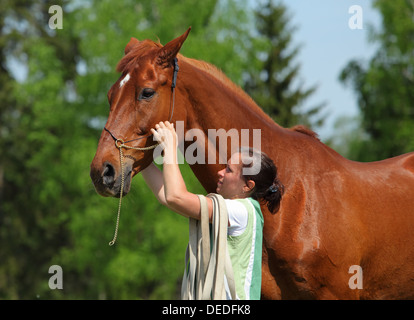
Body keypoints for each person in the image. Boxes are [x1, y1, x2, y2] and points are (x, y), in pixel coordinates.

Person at [141, 121, 283, 300]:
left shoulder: (242, 210)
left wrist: (170, 149)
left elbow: (176, 197)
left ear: (247, 186)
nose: (220, 173)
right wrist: (139, 159)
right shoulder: (236, 209)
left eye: (229, 170)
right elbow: (168, 197)